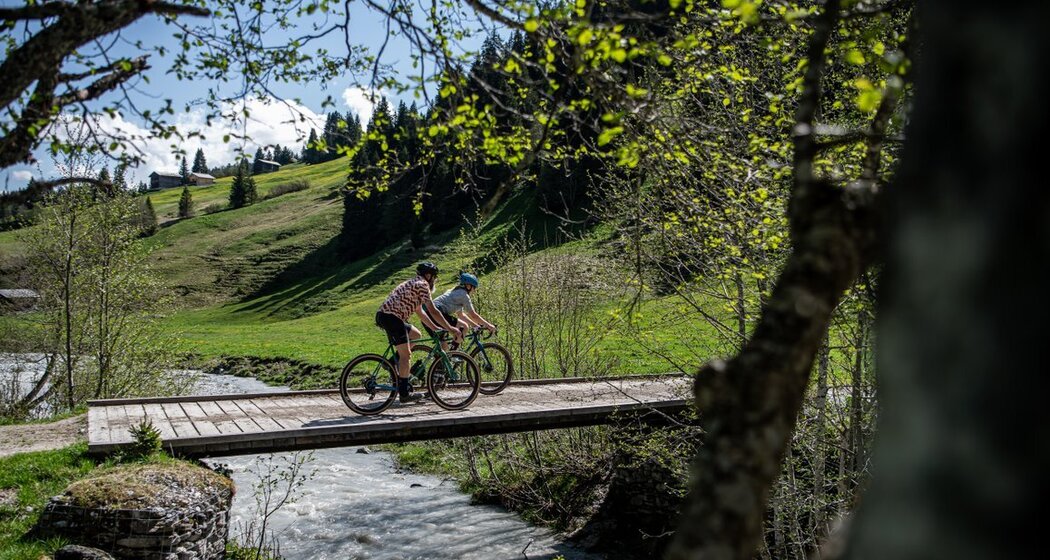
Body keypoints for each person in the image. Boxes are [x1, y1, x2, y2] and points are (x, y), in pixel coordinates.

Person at [375, 262, 463, 403]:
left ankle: (391, 363)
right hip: (392, 318)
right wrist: (451, 328)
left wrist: (435, 328)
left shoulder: (413, 284)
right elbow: (433, 311)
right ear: (428, 276)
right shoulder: (423, 285)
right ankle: (404, 394)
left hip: (387, 316)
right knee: (406, 356)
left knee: (416, 335)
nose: (434, 280)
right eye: (434, 277)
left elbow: (421, 312)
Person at [423, 272, 497, 351]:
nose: (474, 291)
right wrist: (489, 325)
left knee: (443, 346)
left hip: (426, 314)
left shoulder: (455, 291)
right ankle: (454, 355)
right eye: (474, 288)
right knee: (464, 327)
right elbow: (473, 315)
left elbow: (461, 315)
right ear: (468, 286)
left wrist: (475, 326)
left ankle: (445, 360)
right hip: (436, 313)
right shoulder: (463, 295)